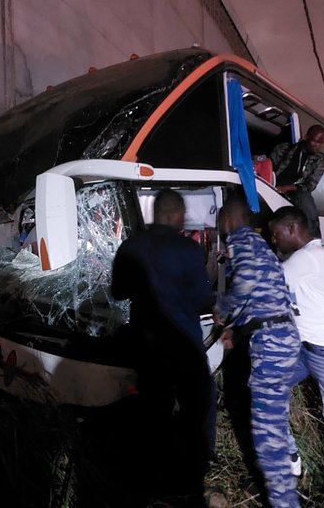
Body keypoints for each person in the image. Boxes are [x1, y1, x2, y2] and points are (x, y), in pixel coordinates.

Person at [111, 189, 216, 507]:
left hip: (146, 345)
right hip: (183, 344)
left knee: (154, 409)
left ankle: (153, 482)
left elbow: (118, 293)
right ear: (175, 216)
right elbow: (201, 300)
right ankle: (192, 477)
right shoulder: (188, 249)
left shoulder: (130, 246)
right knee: (199, 406)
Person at [269, 206, 324, 503]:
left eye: (275, 234)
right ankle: (291, 457)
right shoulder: (300, 258)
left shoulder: (309, 257)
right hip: (304, 348)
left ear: (292, 228)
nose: (274, 240)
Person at [216, 194, 301, 508]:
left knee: (266, 434)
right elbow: (263, 297)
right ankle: (293, 464)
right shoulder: (262, 245)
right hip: (284, 336)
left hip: (271, 345)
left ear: (228, 221)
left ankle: (284, 500)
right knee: (275, 413)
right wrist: (236, 329)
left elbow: (245, 286)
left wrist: (223, 312)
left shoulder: (239, 241)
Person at [269, 124, 324, 238]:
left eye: (321, 143)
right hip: (273, 187)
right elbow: (269, 165)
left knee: (305, 197)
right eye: (314, 141)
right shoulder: (285, 148)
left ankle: (314, 238)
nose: (317, 146)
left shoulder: (319, 159)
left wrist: (287, 188)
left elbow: (311, 185)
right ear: (306, 137)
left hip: (296, 193)